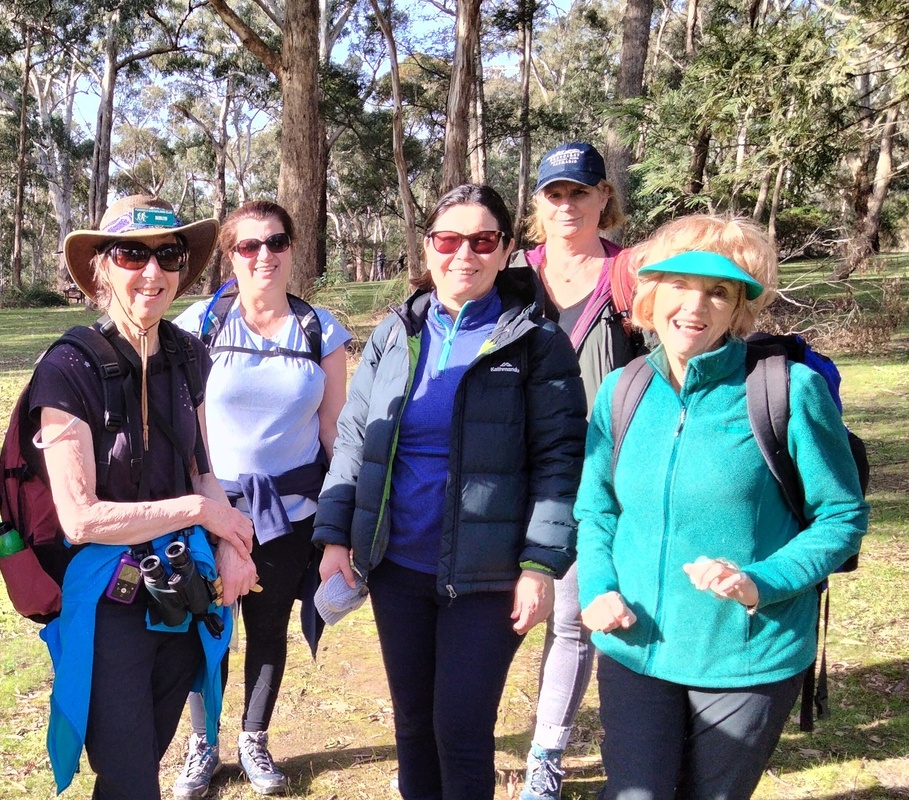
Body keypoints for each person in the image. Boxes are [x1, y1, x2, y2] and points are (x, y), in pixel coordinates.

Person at [576, 216, 868, 800]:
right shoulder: (623, 390)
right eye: (680, 285)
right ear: (651, 296)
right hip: (634, 644)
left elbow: (842, 516)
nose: (696, 305)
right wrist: (597, 590)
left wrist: (760, 580)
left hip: (746, 653)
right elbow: (597, 508)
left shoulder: (789, 391)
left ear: (739, 309)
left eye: (719, 291)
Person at [313, 184, 587, 800]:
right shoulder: (395, 332)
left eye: (483, 240)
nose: (465, 253)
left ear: (506, 249)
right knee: (412, 725)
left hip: (487, 577)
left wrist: (540, 565)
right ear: (428, 247)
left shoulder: (539, 345)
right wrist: (334, 535)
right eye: (448, 239)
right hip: (397, 567)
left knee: (461, 729)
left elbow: (559, 461)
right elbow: (355, 439)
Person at [30, 195, 259, 799]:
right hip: (108, 597)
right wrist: (200, 512)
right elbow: (80, 518)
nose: (151, 272)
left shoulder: (188, 356)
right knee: (130, 775)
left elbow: (202, 469)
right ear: (102, 266)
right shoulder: (68, 367)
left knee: (140, 766)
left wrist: (234, 541)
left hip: (181, 588)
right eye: (132, 254)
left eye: (168, 255)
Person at [169, 200, 352, 797]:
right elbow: (182, 428)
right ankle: (203, 743)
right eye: (248, 246)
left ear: (292, 249)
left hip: (290, 515)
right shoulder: (200, 325)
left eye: (275, 242)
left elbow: (334, 433)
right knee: (209, 626)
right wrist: (205, 512)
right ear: (231, 254)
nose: (263, 255)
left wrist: (340, 518)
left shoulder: (320, 330)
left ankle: (254, 737)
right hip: (212, 509)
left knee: (268, 630)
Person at [510, 141, 641, 800]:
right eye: (555, 194)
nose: (567, 205)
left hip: (595, 470)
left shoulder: (630, 273)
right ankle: (460, 737)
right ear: (541, 201)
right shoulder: (513, 272)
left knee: (569, 620)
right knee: (491, 610)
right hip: (507, 468)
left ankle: (546, 755)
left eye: (580, 192)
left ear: (602, 198)